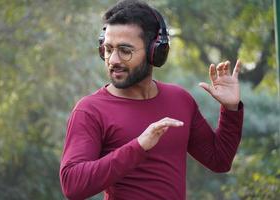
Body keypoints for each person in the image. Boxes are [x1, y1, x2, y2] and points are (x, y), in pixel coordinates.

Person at [59, 0, 244, 199]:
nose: (113, 60)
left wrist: (231, 109)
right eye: (108, 49)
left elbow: (219, 160)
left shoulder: (180, 99)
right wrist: (139, 146)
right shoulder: (90, 110)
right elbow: (73, 185)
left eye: (125, 50)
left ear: (154, 51)